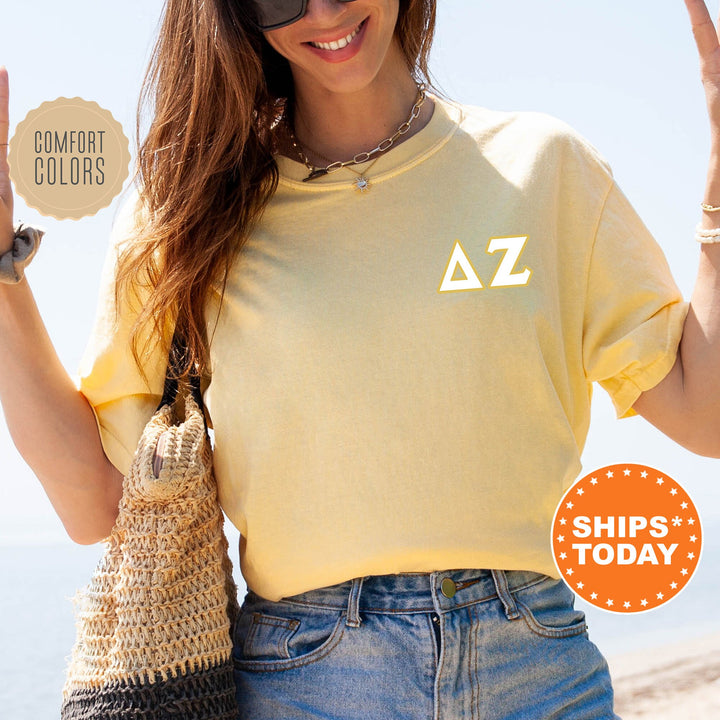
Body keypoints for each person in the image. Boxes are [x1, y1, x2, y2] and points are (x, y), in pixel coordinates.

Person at [1, 1, 720, 718]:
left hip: (536, 670)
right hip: (304, 681)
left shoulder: (544, 169)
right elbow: (96, 503)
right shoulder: (188, 213)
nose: (326, 9)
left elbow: (704, 413)